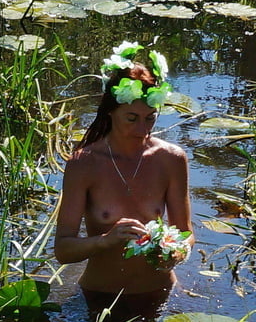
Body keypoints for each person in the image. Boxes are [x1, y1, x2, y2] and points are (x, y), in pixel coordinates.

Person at [54, 41, 194, 305]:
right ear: (110, 113)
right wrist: (106, 240)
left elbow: (185, 233)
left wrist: (177, 252)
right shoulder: (84, 164)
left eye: (150, 118)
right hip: (100, 297)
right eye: (131, 118)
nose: (143, 130)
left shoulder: (171, 159)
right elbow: (63, 250)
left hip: (161, 292)